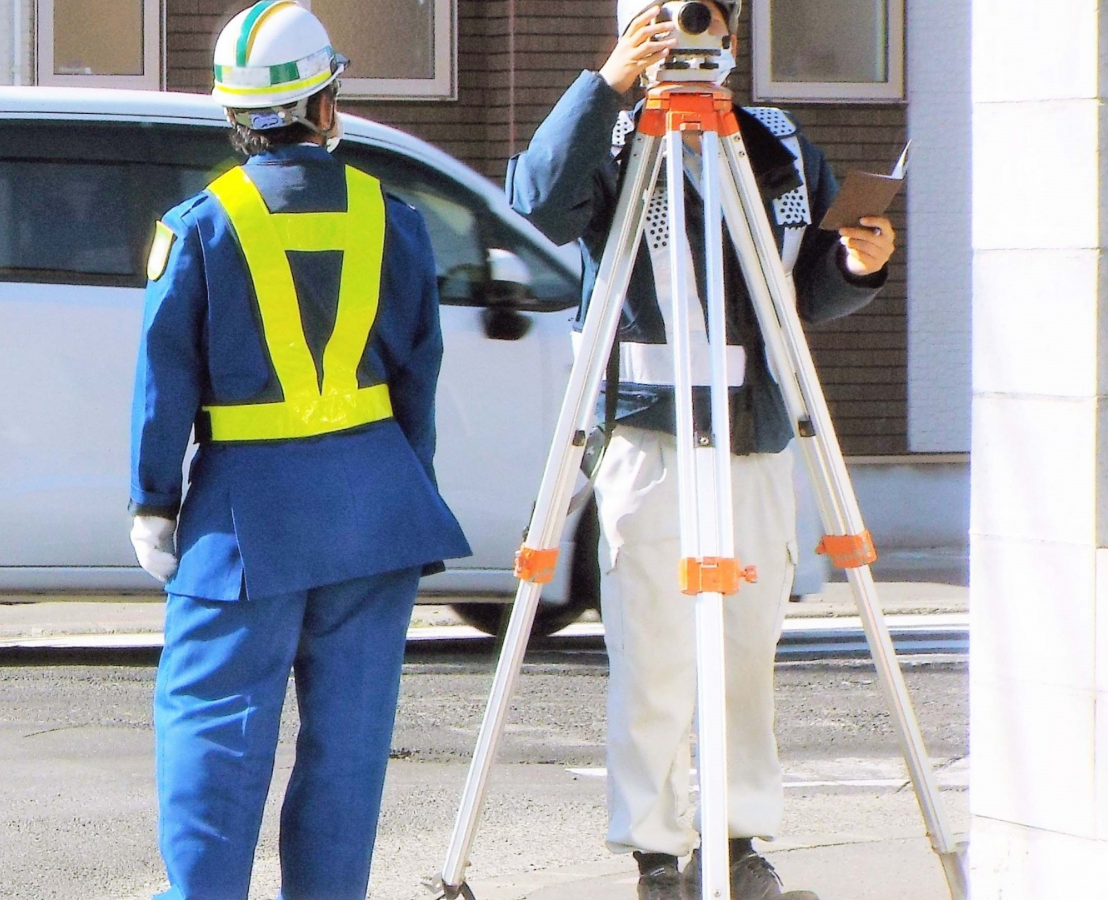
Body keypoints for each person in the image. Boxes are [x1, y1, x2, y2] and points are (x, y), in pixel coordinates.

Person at [507, 3, 896, 899]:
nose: (695, 38)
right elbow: (536, 202)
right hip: (647, 431)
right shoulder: (612, 137)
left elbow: (804, 291)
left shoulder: (778, 144)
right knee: (653, 648)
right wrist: (607, 84)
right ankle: (654, 849)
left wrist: (860, 268)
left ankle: (738, 838)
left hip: (755, 433)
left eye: (709, 21)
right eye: (671, 20)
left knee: (745, 648)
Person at [127, 3, 472, 898]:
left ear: (235, 116)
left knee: (215, 731)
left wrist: (153, 500)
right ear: (325, 104)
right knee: (349, 747)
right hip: (375, 511)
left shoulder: (200, 225)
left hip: (246, 519)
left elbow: (165, 377)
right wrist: (407, 486)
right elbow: (418, 376)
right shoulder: (391, 217)